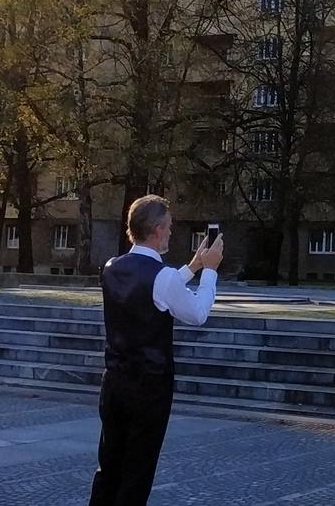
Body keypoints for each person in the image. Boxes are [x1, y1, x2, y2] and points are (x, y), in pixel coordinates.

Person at [88, 194, 224, 505]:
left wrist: (192, 267)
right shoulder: (161, 277)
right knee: (137, 471)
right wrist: (211, 271)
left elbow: (156, 289)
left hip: (114, 381)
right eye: (170, 227)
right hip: (149, 386)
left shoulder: (111, 268)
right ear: (157, 230)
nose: (172, 232)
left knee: (109, 466)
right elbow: (197, 313)